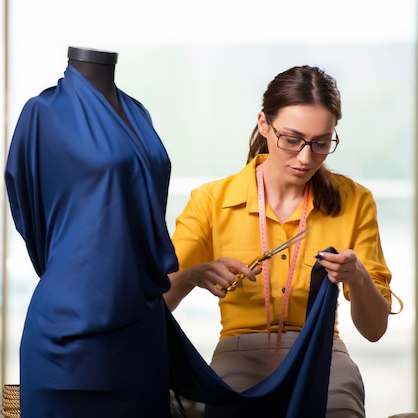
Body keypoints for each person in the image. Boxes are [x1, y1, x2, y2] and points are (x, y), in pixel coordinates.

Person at [164, 65, 400, 418]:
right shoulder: (210, 200)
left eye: (321, 143)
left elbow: (374, 330)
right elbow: (157, 307)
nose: (306, 158)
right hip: (240, 353)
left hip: (323, 355)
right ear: (264, 124)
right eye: (291, 140)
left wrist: (358, 276)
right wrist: (192, 275)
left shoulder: (356, 201)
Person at [4, 46, 182, 417]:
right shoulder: (42, 113)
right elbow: (27, 205)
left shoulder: (139, 113)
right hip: (69, 329)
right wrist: (69, 268)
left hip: (142, 326)